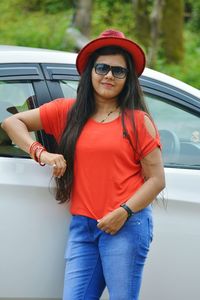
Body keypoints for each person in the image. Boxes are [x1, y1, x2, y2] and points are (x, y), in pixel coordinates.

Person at [1, 29, 165, 300]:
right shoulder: (68, 111)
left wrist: (123, 212)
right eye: (102, 67)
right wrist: (42, 153)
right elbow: (11, 123)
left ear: (128, 79)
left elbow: (157, 180)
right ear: (90, 71)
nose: (109, 75)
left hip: (126, 224)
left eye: (118, 71)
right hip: (84, 226)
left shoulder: (138, 121)